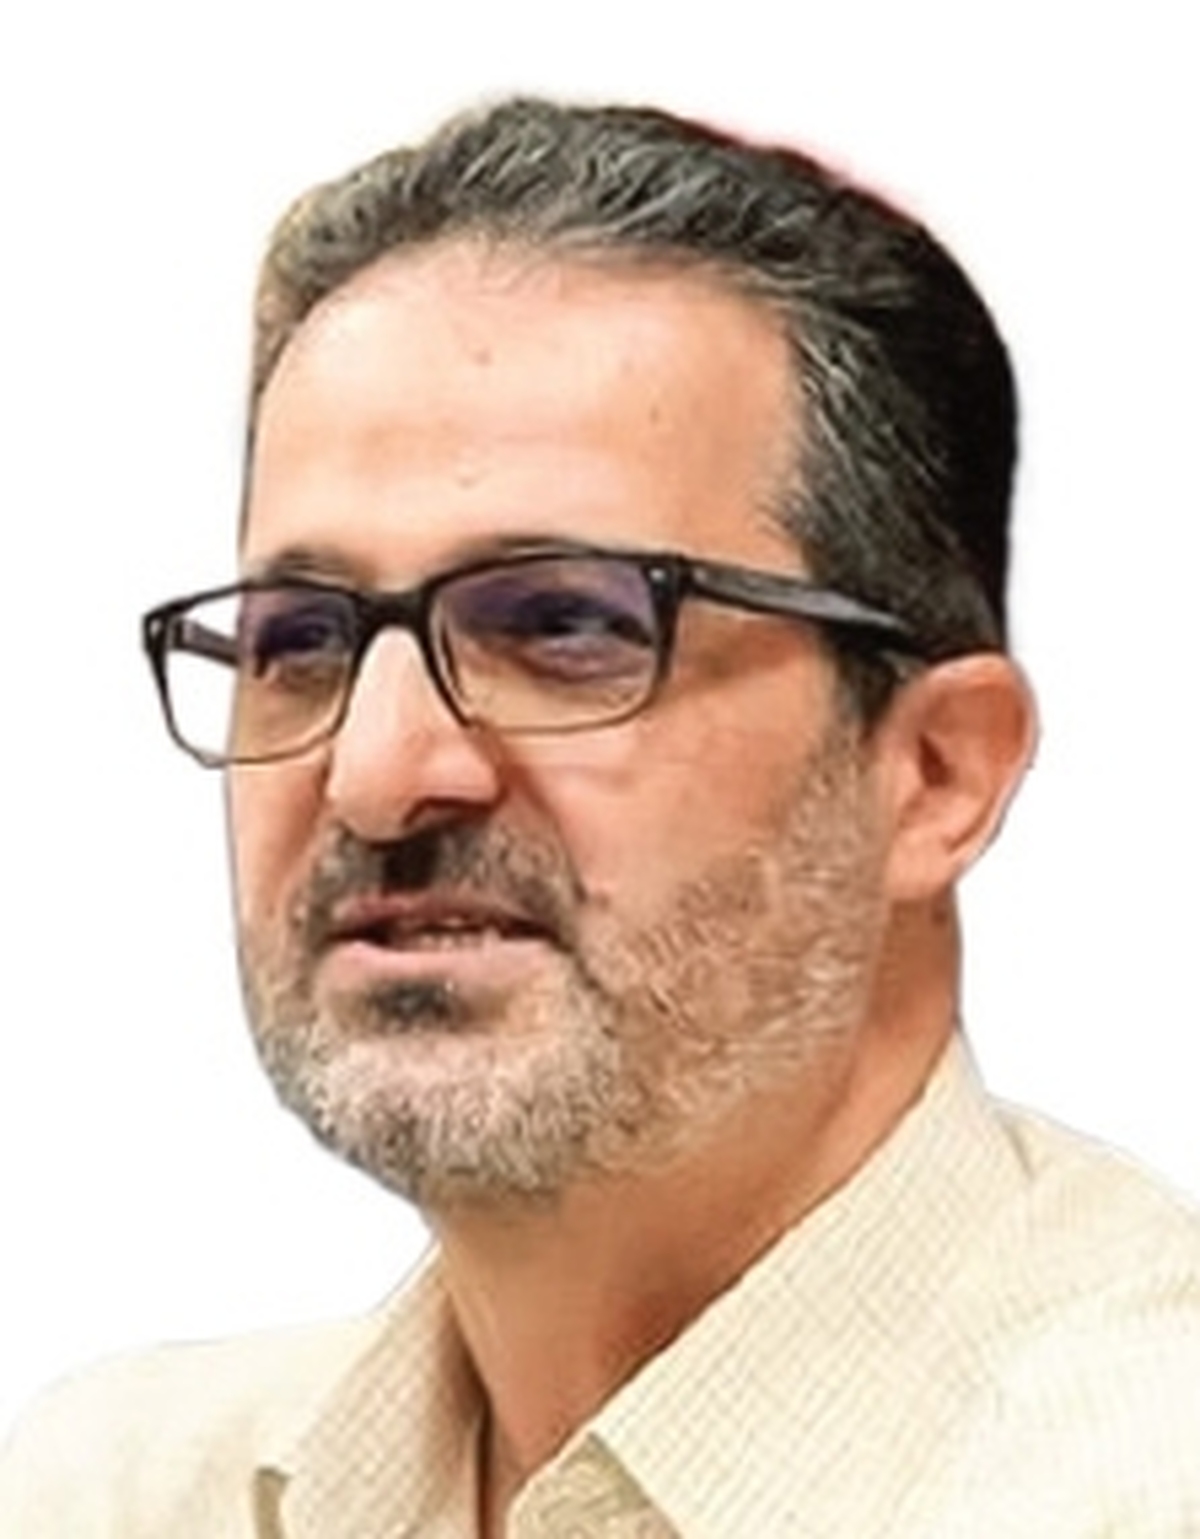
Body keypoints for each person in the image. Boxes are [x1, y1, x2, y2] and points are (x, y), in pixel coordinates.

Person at [3, 95, 1199, 1538]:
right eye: (301, 641)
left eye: (565, 624)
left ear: (936, 772)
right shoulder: (120, 1496)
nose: (378, 771)